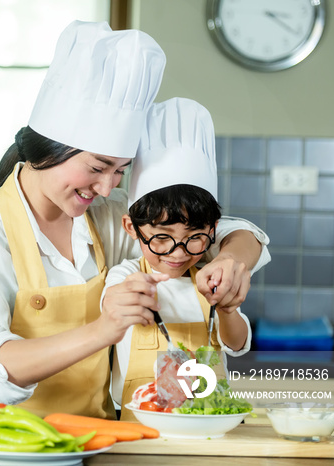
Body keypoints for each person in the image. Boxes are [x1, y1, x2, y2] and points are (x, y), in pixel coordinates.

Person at [0, 21, 269, 420]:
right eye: (98, 167)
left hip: (91, 445)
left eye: (121, 172)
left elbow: (221, 232)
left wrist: (229, 262)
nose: (108, 187)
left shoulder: (107, 221)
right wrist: (103, 328)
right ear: (51, 148)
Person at [103, 97, 253, 421]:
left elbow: (238, 345)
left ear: (213, 229)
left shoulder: (212, 278)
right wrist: (136, 292)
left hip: (208, 419)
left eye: (195, 237)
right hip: (138, 421)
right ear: (132, 228)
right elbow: (111, 304)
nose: (179, 252)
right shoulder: (124, 274)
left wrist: (226, 309)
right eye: (161, 238)